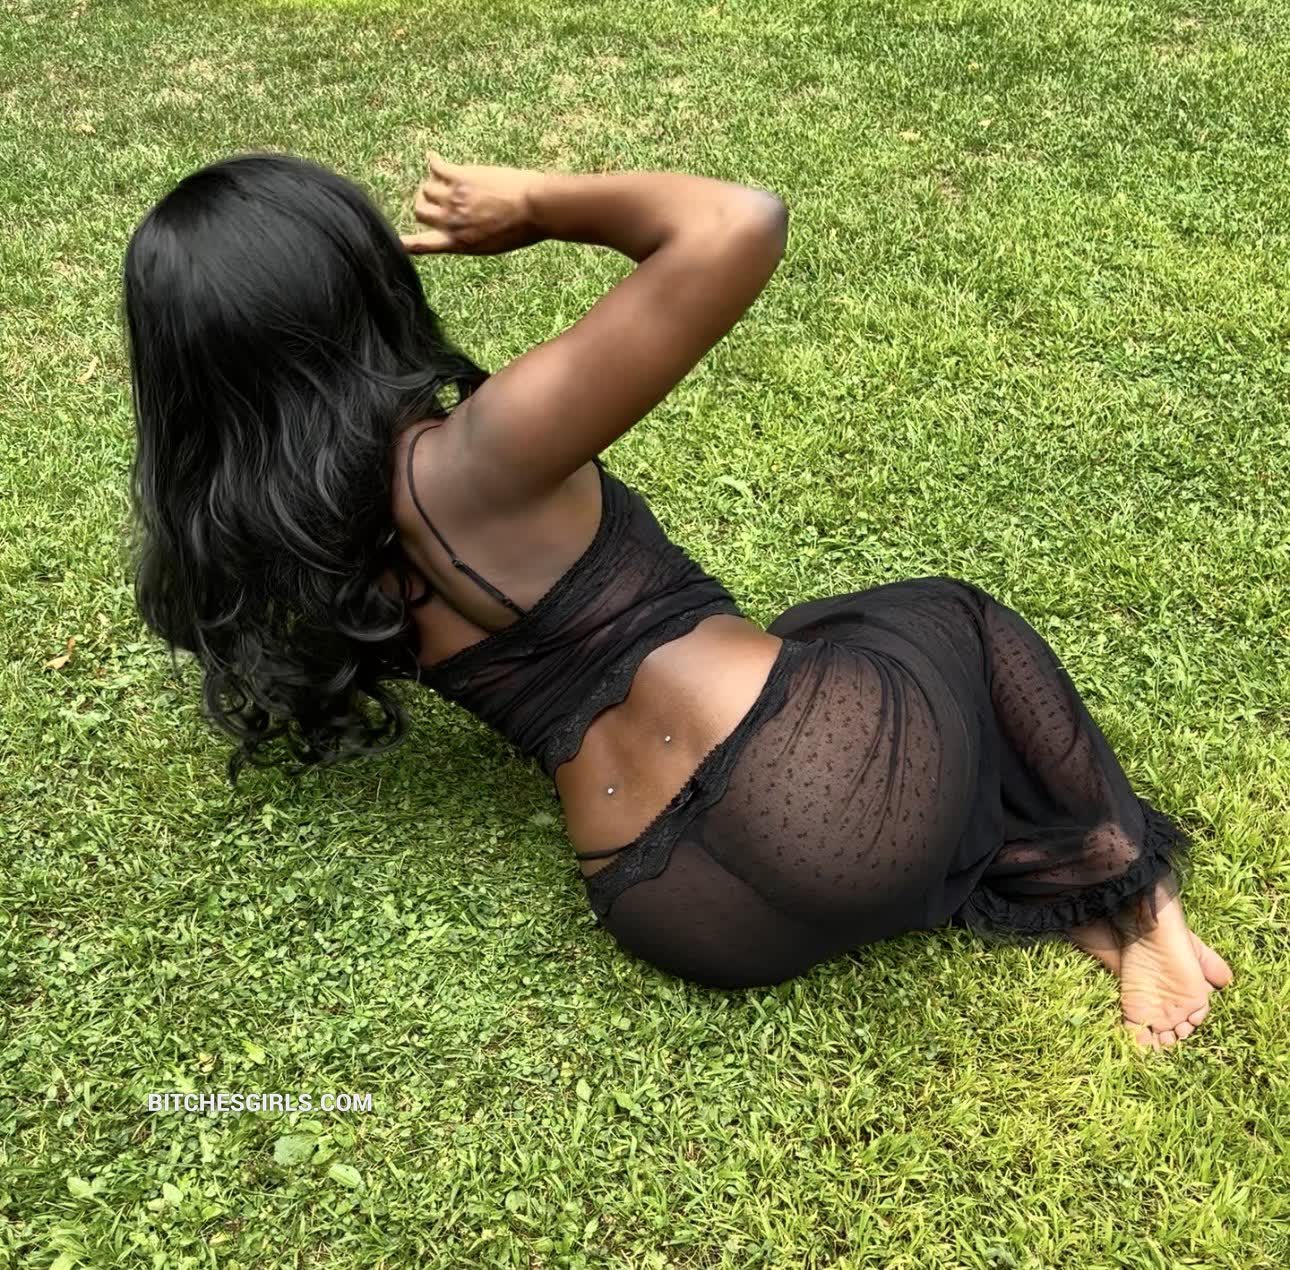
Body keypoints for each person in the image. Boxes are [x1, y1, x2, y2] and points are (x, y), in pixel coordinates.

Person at [123, 152, 1232, 1048]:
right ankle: (1138, 905)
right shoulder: (478, 453)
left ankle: (1043, 891)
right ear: (356, 284)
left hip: (675, 909)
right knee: (951, 615)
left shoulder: (275, 550)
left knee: (819, 631)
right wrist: (538, 204)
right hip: (826, 802)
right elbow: (737, 223)